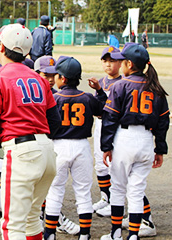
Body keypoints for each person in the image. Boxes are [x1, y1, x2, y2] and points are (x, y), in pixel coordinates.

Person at [0, 23, 61, 240]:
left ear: (2, 49)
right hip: (47, 151)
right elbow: (55, 123)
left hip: (21, 151)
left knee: (12, 225)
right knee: (32, 219)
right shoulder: (40, 79)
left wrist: (1, 144)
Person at [100, 43, 169, 240]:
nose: (120, 65)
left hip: (125, 139)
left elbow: (110, 118)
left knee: (119, 187)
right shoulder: (156, 87)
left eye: (122, 62)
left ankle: (115, 233)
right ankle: (133, 235)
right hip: (146, 140)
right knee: (137, 191)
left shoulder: (120, 85)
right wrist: (160, 149)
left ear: (130, 64)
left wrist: (106, 146)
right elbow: (163, 122)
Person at [43, 56, 107, 240]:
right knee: (83, 192)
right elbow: (103, 110)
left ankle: (49, 234)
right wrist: (100, 91)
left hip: (58, 147)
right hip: (81, 147)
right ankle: (85, 235)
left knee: (55, 191)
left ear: (62, 79)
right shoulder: (86, 97)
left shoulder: (54, 98)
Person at [91, 46, 124, 218]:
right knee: (99, 163)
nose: (109, 64)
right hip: (100, 125)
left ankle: (115, 201)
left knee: (113, 163)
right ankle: (106, 197)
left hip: (115, 127)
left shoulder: (123, 82)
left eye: (113, 61)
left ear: (121, 63)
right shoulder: (101, 82)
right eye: (105, 61)